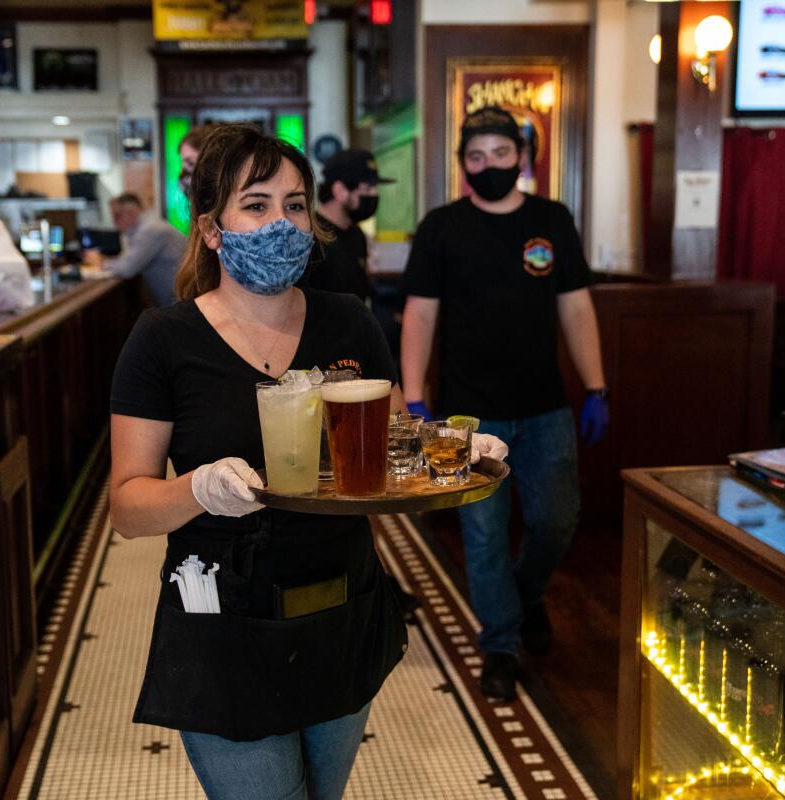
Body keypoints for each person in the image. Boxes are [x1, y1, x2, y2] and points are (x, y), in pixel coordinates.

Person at [109, 124, 505, 798]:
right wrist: (199, 488)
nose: (281, 224)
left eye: (294, 206)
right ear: (212, 229)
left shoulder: (348, 321)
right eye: (256, 205)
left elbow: (387, 446)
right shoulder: (164, 339)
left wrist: (451, 451)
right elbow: (127, 507)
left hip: (342, 606)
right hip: (224, 621)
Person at [399, 105, 609, 702]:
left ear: (523, 157)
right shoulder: (441, 226)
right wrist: (415, 396)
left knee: (556, 521)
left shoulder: (552, 219)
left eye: (499, 154)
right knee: (484, 535)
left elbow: (576, 307)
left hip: (546, 409)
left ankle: (525, 594)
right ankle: (500, 644)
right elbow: (420, 313)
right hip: (468, 413)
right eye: (475, 157)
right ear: (463, 164)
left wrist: (597, 387)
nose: (487, 165)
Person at [296, 149, 393, 302]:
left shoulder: (356, 234)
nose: (374, 195)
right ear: (340, 190)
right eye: (367, 188)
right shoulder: (309, 235)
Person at [82, 193, 186, 307]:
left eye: (117, 216)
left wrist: (101, 262)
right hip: (176, 300)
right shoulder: (148, 226)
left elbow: (127, 269)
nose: (114, 222)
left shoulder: (149, 230)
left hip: (180, 303)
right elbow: (127, 259)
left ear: (130, 213)